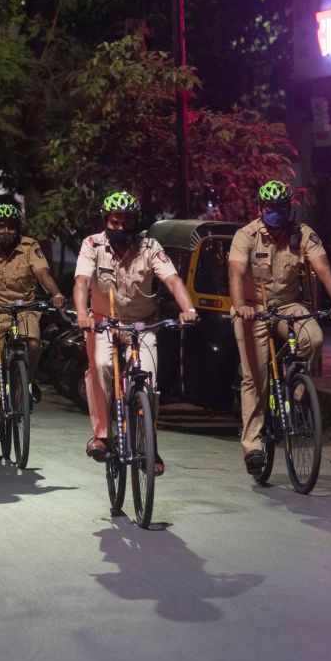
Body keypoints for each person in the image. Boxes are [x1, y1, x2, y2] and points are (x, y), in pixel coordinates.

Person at [228, 179, 331, 474]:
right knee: (255, 378)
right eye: (271, 208)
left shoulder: (302, 234)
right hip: (252, 308)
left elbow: (322, 268)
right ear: (261, 208)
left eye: (281, 207)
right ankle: (253, 445)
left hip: (287, 305)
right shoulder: (246, 235)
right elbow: (235, 273)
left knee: (314, 338)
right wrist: (241, 306)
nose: (276, 213)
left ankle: (295, 394)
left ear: (289, 208)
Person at [72, 191, 197, 476]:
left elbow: (173, 280)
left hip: (142, 325)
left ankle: (148, 445)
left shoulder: (150, 246)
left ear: (135, 223)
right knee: (101, 366)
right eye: (115, 222)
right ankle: (102, 435)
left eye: (127, 222)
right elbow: (81, 282)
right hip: (103, 323)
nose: (120, 228)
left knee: (149, 385)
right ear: (107, 221)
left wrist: (187, 308)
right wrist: (82, 314)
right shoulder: (92, 244)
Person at [0, 202, 66, 446]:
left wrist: (56, 294)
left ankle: (26, 385)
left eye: (11, 226)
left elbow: (43, 275)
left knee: (33, 343)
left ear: (18, 229)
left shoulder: (30, 247)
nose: (6, 231)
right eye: (1, 226)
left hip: (25, 308)